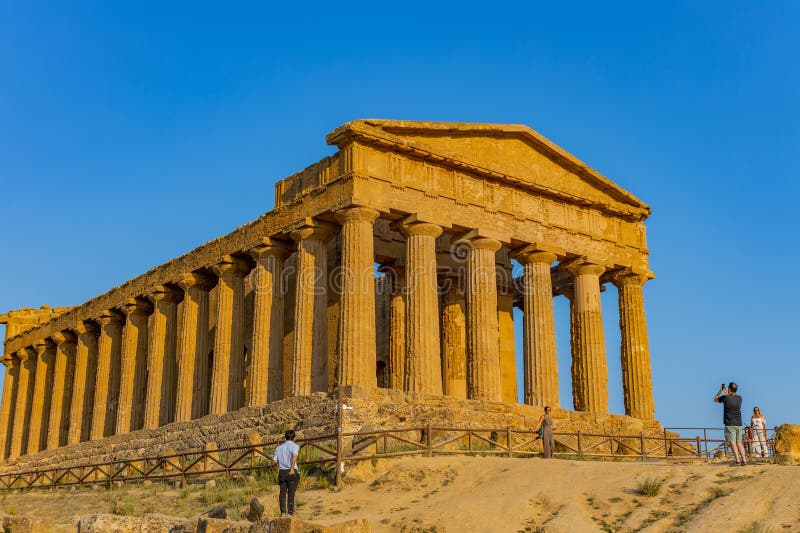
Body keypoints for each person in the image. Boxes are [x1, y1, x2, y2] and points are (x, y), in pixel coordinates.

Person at [714, 383, 746, 465]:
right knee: (739, 443)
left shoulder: (725, 397)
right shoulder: (739, 398)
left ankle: (737, 461)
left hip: (730, 423)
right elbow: (731, 397)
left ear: (729, 389)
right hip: (739, 423)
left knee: (733, 443)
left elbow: (715, 400)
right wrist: (727, 391)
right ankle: (744, 460)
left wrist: (720, 391)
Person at [272, 429, 300, 516]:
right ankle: (290, 513)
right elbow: (294, 456)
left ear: (285, 438)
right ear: (294, 438)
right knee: (291, 493)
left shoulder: (278, 448)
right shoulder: (295, 446)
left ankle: (283, 512)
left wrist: (280, 465)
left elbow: (274, 460)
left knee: (282, 492)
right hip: (291, 471)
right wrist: (291, 468)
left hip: (282, 472)